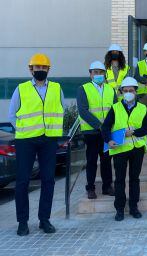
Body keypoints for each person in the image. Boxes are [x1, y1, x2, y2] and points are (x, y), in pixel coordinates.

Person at [9, 53, 65, 236]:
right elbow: (12, 115)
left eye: (43, 68)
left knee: (48, 180)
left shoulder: (57, 88)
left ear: (48, 70)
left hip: (49, 139)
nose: (40, 70)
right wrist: (24, 130)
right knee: (23, 181)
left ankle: (44, 220)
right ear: (31, 69)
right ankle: (22, 222)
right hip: (26, 140)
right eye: (37, 67)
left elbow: (61, 110)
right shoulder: (21, 89)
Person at [101, 77, 147, 221]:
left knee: (135, 179)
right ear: (121, 92)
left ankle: (134, 207)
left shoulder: (143, 108)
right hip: (120, 149)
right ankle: (120, 209)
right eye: (125, 90)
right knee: (119, 180)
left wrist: (133, 132)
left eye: (131, 90)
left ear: (136, 92)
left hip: (137, 148)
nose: (128, 93)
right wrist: (108, 140)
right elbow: (105, 127)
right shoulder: (115, 108)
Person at [77, 61, 117, 199]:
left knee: (106, 160)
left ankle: (107, 186)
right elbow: (83, 111)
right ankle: (91, 188)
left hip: (106, 132)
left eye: (100, 72)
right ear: (90, 74)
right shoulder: (83, 88)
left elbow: (115, 110)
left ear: (104, 74)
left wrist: (107, 127)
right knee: (92, 161)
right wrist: (100, 126)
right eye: (95, 72)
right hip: (91, 132)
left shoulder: (110, 89)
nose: (98, 75)